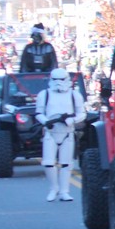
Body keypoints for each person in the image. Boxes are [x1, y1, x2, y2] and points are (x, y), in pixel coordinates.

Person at [35, 67, 86, 202]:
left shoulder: (74, 95)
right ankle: (54, 188)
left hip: (67, 133)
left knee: (66, 163)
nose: (58, 83)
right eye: (55, 79)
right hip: (50, 132)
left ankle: (64, 191)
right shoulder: (44, 94)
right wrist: (46, 122)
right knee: (48, 162)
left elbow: (82, 113)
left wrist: (72, 120)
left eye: (61, 79)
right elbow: (39, 113)